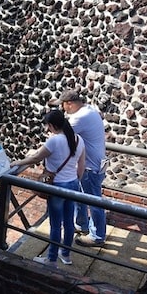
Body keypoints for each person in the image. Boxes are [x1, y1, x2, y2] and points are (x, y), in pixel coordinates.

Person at [11, 109, 85, 267]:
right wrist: (74, 179)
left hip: (57, 186)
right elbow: (81, 165)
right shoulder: (78, 139)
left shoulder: (54, 140)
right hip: (73, 184)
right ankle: (65, 254)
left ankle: (51, 259)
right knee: (69, 222)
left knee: (56, 224)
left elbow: (37, 157)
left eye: (48, 126)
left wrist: (17, 162)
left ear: (51, 125)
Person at [56, 89, 107, 248]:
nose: (63, 110)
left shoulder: (79, 118)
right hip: (93, 163)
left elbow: (58, 137)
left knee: (93, 201)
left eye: (63, 106)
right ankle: (81, 224)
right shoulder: (89, 110)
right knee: (80, 195)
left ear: (69, 104)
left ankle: (97, 236)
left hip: (91, 167)